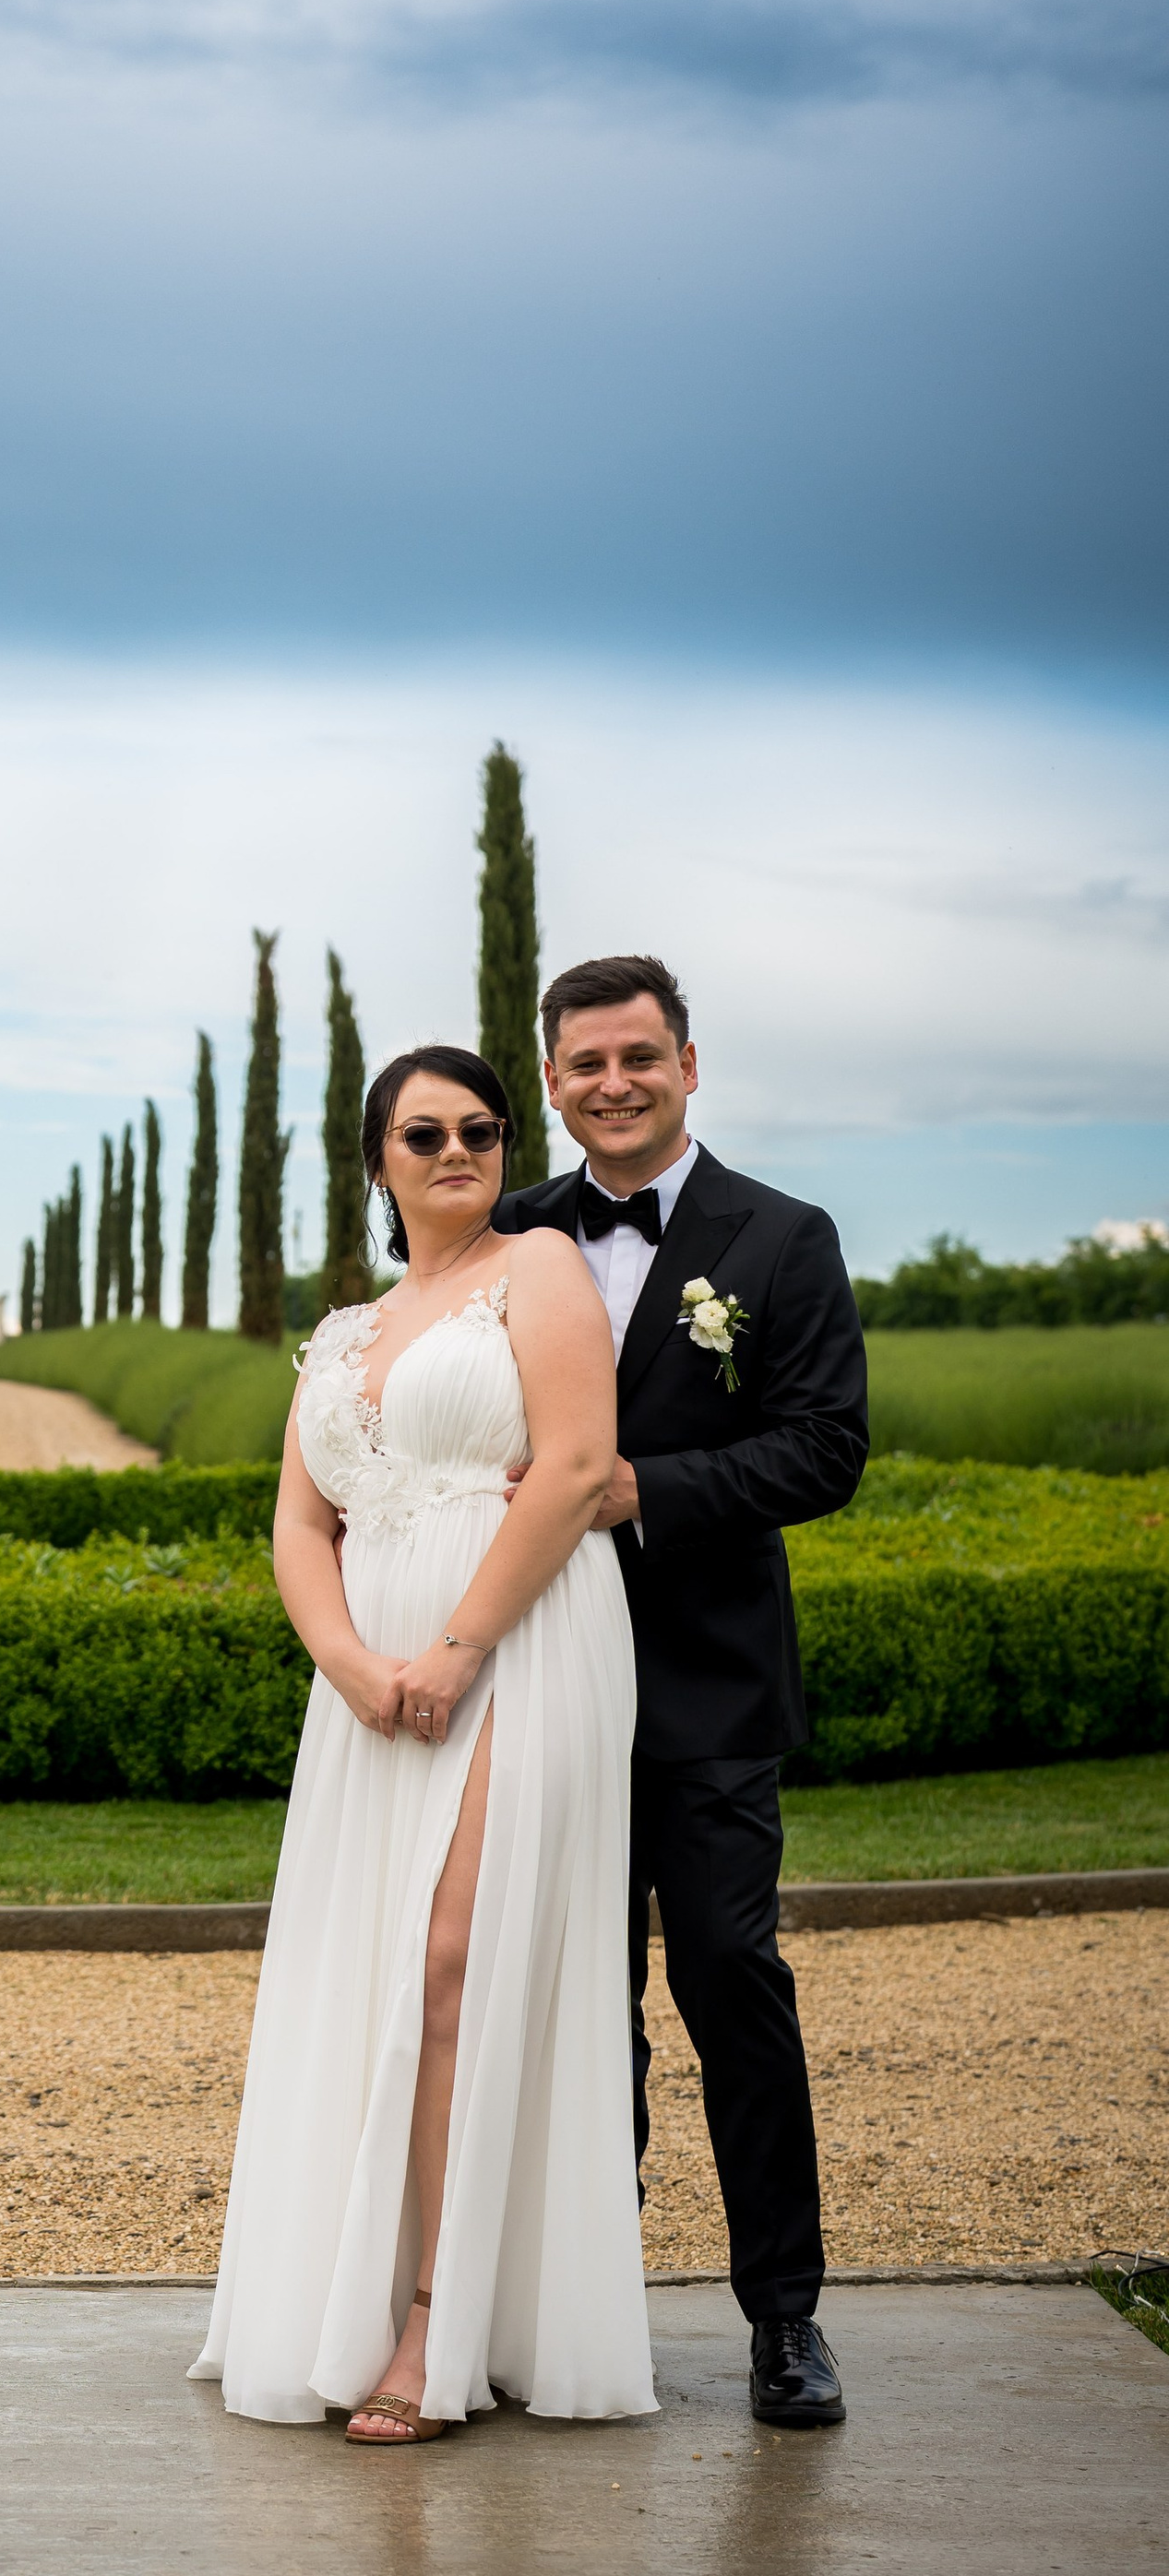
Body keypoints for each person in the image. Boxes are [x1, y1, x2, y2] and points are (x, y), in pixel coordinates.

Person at [191, 1044, 655, 2442]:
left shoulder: (546, 1271)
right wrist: (349, 1664)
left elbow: (576, 1469)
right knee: (373, 1973)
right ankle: (352, 2284)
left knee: (456, 1963)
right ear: (379, 1159)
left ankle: (439, 2325)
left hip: (525, 1651)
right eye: (424, 1133)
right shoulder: (342, 1334)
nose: (457, 1151)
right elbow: (297, 1521)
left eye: (481, 1129)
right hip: (370, 1692)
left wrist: (455, 1651)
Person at [498, 954, 867, 2430]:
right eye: (585, 1064)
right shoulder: (513, 1229)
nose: (614, 1083)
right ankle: (586, 2315)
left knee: (731, 1982)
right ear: (552, 1082)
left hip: (708, 1693)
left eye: (639, 1056)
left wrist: (644, 1487)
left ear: (689, 1065)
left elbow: (824, 1449)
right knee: (577, 2011)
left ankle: (786, 2320)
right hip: (540, 1685)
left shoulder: (781, 1238)